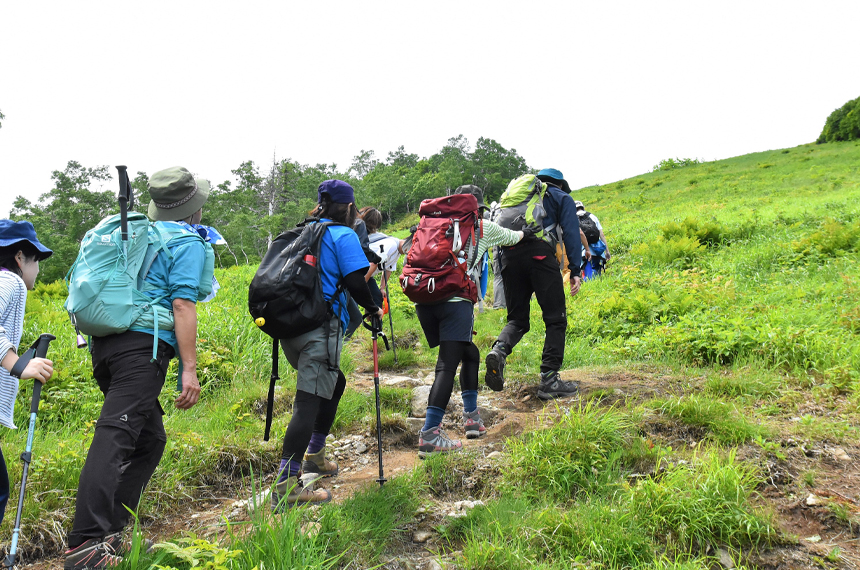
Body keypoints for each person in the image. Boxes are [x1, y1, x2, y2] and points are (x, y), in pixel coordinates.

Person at [65, 167, 213, 569]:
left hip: (105, 347)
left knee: (150, 439)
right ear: (194, 209)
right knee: (115, 437)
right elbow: (183, 304)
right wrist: (190, 368)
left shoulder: (136, 235)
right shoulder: (186, 241)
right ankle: (86, 546)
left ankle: (112, 532)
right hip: (141, 349)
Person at [271, 180, 383, 509]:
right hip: (321, 327)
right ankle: (287, 485)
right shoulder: (343, 234)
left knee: (336, 384)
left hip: (291, 328)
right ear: (349, 207)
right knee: (309, 402)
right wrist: (373, 308)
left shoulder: (303, 231)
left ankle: (315, 456)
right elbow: (354, 281)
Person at [415, 185, 528, 458]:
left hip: (424, 298)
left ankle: (472, 418)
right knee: (446, 366)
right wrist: (528, 230)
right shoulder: (481, 226)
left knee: (470, 353)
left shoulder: (433, 223)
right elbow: (514, 237)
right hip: (456, 302)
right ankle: (430, 435)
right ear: (477, 207)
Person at [484, 168, 583, 400]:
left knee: (517, 319)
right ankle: (549, 379)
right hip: (539, 256)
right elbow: (571, 232)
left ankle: (498, 350)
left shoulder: (516, 197)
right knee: (555, 318)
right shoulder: (560, 197)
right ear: (559, 184)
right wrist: (575, 271)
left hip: (509, 256)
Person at [0, 221, 54, 525]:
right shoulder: (10, 281)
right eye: (36, 261)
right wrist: (17, 365)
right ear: (20, 257)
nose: (38, 270)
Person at [343, 208, 382, 340]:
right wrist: (376, 258)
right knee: (351, 318)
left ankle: (341, 348)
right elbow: (362, 250)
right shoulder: (359, 225)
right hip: (344, 279)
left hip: (337, 278)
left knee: (355, 318)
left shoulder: (349, 224)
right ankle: (337, 349)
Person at [574, 200, 611, 278]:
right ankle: (598, 285)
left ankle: (591, 286)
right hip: (597, 249)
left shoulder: (573, 218)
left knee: (587, 273)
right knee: (597, 270)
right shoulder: (592, 216)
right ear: (583, 207)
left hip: (583, 250)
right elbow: (602, 234)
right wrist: (607, 250)